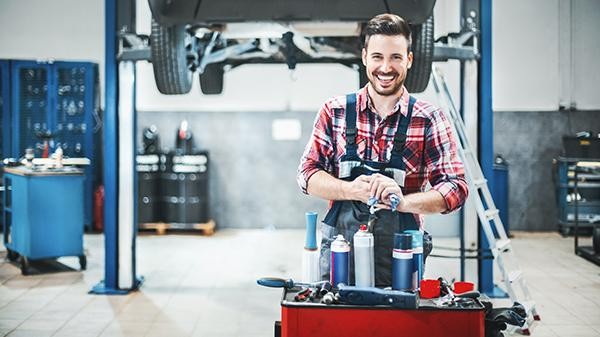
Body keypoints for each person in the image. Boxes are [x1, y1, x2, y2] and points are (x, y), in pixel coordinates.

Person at [297, 13, 468, 287]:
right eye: (377, 57)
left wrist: (403, 202)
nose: (385, 67)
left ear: (409, 60)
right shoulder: (336, 111)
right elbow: (306, 175)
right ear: (364, 57)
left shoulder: (429, 119)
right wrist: (352, 190)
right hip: (342, 252)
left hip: (402, 254)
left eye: (396, 57)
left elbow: (456, 188)